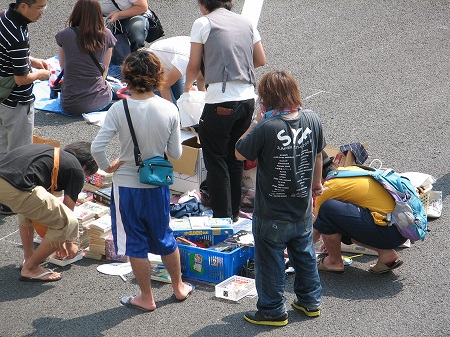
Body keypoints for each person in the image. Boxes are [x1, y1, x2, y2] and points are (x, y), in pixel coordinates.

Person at [91, 50, 194, 312]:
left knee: (134, 243)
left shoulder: (119, 108)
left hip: (127, 186)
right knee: (164, 236)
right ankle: (178, 287)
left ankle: (146, 297)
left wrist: (108, 166)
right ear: (157, 76)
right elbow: (177, 153)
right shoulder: (169, 108)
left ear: (127, 77)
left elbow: (97, 148)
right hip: (157, 184)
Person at [235, 71, 325, 327]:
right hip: (302, 208)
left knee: (270, 261)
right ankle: (310, 302)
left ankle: (273, 310)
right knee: (304, 255)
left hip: (271, 212)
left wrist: (255, 121)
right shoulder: (312, 119)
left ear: (267, 99)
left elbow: (239, 153)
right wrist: (317, 183)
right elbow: (318, 155)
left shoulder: (266, 126)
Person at [183, 0, 266, 222]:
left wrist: (186, 88)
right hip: (247, 99)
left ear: (203, 3)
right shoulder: (246, 22)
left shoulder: (203, 22)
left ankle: (222, 216)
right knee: (234, 156)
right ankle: (234, 214)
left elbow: (193, 65)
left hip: (221, 100)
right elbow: (260, 59)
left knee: (215, 158)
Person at [0, 141, 98, 282]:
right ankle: (31, 268)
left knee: (29, 208)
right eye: (88, 174)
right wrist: (68, 244)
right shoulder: (76, 169)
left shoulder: (49, 151)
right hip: (15, 188)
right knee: (66, 222)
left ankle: (29, 257)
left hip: (7, 181)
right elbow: (67, 212)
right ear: (85, 166)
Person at [0, 0, 51, 215]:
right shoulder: (19, 35)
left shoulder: (3, 17)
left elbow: (8, 53)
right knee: (20, 155)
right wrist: (41, 74)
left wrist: (31, 59)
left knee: (2, 148)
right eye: (39, 8)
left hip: (2, 97)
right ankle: (10, 201)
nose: (42, 13)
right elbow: (21, 79)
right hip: (17, 102)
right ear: (23, 6)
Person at [313, 158, 407, 274]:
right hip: (401, 229)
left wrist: (295, 251)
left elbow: (316, 228)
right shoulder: (350, 170)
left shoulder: (328, 187)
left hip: (388, 232)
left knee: (327, 210)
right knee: (336, 219)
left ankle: (334, 262)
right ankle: (385, 253)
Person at [55, 0, 116, 115]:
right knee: (116, 87)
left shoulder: (64, 34)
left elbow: (63, 66)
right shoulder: (107, 35)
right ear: (98, 14)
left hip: (69, 104)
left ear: (76, 13)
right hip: (100, 99)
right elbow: (105, 69)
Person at [148, 36, 205, 104]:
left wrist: (205, 102)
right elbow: (163, 86)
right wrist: (173, 110)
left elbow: (201, 80)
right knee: (175, 105)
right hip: (152, 63)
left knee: (182, 99)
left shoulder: (206, 54)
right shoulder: (185, 60)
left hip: (172, 62)